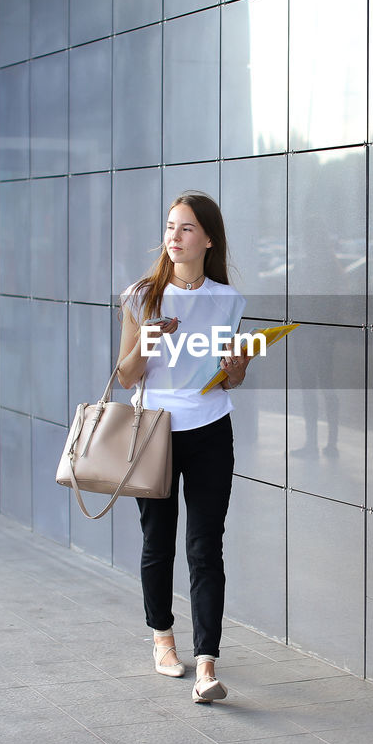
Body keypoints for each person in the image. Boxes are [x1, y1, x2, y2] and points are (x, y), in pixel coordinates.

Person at [115, 191, 249, 704]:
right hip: (156, 430)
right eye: (170, 227)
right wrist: (147, 341)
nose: (175, 236)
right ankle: (163, 639)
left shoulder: (226, 300)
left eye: (187, 228)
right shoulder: (141, 295)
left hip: (211, 429)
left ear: (208, 239)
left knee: (205, 545)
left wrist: (236, 368)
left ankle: (208, 663)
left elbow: (225, 377)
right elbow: (126, 377)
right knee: (158, 541)